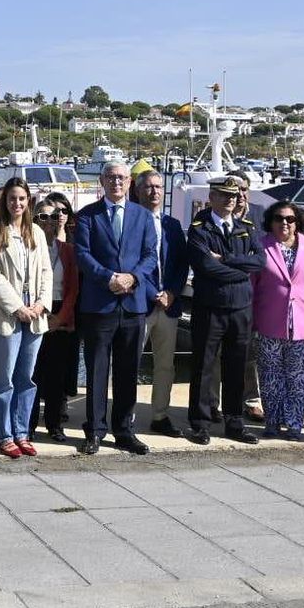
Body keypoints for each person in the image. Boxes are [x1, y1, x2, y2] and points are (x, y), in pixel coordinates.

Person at [71, 161, 158, 455]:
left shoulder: (143, 217)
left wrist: (132, 278)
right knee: (97, 371)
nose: (116, 182)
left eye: (121, 177)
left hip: (133, 305)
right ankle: (95, 430)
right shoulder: (86, 216)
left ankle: (124, 431)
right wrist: (108, 278)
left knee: (128, 371)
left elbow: (149, 255)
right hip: (99, 304)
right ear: (102, 181)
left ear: (129, 182)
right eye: (111, 177)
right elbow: (82, 254)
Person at [184, 178, 264, 446]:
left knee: (236, 367)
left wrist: (228, 260)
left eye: (233, 195)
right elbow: (206, 267)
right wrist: (240, 271)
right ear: (212, 197)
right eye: (224, 195)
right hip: (210, 307)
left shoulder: (246, 227)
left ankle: (234, 422)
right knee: (203, 367)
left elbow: (260, 261)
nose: (231, 199)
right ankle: (200, 423)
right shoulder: (199, 229)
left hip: (240, 308)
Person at [0, 178, 54, 458]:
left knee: (26, 378)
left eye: (22, 198)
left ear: (28, 201)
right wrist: (17, 307)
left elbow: (47, 271)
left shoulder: (36, 231)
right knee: (3, 379)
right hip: (5, 316)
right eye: (12, 198)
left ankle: (22, 431)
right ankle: (3, 433)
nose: (17, 203)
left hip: (35, 315)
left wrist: (41, 304)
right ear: (4, 201)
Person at [249, 201, 304, 441]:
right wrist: (250, 320)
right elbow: (252, 286)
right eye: (278, 218)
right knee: (269, 376)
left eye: (290, 219)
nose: (284, 223)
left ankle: (295, 424)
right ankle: (272, 423)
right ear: (270, 221)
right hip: (269, 322)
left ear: (298, 222)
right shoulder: (260, 245)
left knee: (298, 378)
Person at [133, 170, 188, 437]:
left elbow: (180, 264)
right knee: (129, 363)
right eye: (148, 187)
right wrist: (154, 292)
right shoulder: (130, 222)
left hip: (169, 305)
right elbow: (131, 264)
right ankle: (125, 413)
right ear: (138, 190)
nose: (154, 192)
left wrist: (172, 293)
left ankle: (160, 415)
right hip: (140, 303)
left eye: (158, 187)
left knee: (165, 365)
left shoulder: (173, 225)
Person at [29, 197, 79, 441]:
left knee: (57, 374)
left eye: (54, 215)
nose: (49, 221)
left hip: (60, 313)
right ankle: (27, 425)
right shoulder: (27, 248)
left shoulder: (68, 251)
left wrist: (60, 318)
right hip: (35, 312)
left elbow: (73, 289)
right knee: (32, 373)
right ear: (35, 219)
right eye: (43, 216)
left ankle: (54, 425)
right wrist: (39, 314)